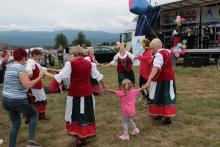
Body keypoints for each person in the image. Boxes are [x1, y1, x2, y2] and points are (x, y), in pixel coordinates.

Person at [44, 46, 105, 147]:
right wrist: (105, 86)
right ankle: (84, 136)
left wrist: (46, 73)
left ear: (74, 54)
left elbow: (61, 76)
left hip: (75, 94)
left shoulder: (70, 63)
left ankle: (79, 138)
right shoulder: (90, 64)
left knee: (75, 115)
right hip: (87, 94)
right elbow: (97, 76)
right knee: (85, 115)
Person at [2, 48, 44, 147]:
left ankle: (12, 145)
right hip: (17, 100)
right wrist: (39, 77)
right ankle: (31, 142)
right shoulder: (20, 68)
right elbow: (28, 85)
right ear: (24, 57)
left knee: (16, 124)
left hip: (5, 99)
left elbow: (16, 82)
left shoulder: (9, 66)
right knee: (34, 114)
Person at [145, 38, 176, 125]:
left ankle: (167, 118)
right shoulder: (167, 51)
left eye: (153, 48)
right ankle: (159, 114)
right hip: (169, 78)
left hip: (161, 79)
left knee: (163, 98)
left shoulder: (159, 54)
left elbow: (155, 68)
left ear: (158, 46)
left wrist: (149, 79)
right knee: (163, 97)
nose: (152, 51)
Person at [26, 49, 48, 120]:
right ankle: (30, 116)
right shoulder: (30, 62)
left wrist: (57, 71)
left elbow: (43, 69)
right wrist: (30, 73)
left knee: (41, 99)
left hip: (38, 84)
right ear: (34, 55)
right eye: (39, 55)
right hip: (34, 85)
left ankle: (40, 115)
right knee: (35, 100)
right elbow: (28, 71)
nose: (40, 57)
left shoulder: (35, 62)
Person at [136, 38, 153, 106]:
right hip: (142, 72)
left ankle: (148, 100)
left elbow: (146, 59)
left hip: (146, 72)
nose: (141, 45)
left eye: (142, 44)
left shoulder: (148, 52)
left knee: (144, 86)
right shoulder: (145, 51)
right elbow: (142, 57)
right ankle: (144, 96)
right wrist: (140, 56)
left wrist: (140, 57)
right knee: (141, 85)